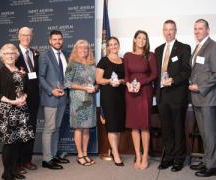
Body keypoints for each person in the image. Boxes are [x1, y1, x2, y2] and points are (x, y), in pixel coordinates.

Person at [0, 43, 34, 180]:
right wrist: (12, 102)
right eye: (6, 53)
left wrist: (24, 97)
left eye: (12, 53)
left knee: (17, 142)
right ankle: (6, 173)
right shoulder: (0, 72)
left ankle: (14, 170)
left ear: (16, 55)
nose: (10, 55)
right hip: (6, 111)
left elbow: (25, 89)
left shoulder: (20, 70)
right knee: (9, 143)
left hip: (20, 110)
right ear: (2, 56)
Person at [155, 20, 191, 172]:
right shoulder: (157, 50)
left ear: (175, 31)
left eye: (171, 29)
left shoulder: (184, 48)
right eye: (166, 29)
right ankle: (168, 157)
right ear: (163, 31)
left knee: (177, 128)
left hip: (177, 95)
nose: (169, 32)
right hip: (162, 95)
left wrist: (174, 79)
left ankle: (179, 159)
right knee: (166, 129)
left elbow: (186, 70)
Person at [189, 19, 216, 177]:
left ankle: (214, 167)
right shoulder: (198, 47)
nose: (197, 31)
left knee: (210, 133)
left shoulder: (214, 47)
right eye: (195, 29)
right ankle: (208, 161)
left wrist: (200, 87)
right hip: (197, 98)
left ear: (208, 30)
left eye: (200, 28)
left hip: (208, 98)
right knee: (204, 134)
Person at [124, 30, 157, 169]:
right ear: (135, 40)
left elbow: (155, 74)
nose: (142, 41)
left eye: (144, 38)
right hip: (131, 92)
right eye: (139, 38)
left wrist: (141, 83)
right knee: (134, 125)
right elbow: (126, 75)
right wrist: (128, 84)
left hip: (144, 92)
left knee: (144, 125)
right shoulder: (127, 55)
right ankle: (137, 155)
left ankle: (145, 157)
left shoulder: (150, 55)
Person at [39, 30, 69, 170]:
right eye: (55, 39)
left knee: (56, 128)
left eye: (60, 39)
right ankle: (46, 159)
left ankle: (53, 155)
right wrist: (52, 91)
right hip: (51, 98)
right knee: (49, 128)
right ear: (50, 41)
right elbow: (41, 77)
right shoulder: (45, 55)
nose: (57, 41)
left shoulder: (64, 55)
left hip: (63, 97)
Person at [64, 39, 97, 166]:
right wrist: (84, 88)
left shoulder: (92, 64)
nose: (83, 50)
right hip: (77, 101)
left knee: (87, 128)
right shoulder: (72, 64)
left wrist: (95, 88)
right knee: (79, 128)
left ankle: (85, 153)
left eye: (86, 48)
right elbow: (67, 83)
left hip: (90, 100)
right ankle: (80, 155)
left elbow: (96, 82)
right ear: (76, 50)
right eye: (80, 48)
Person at [96, 36, 126, 166]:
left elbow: (127, 79)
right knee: (112, 126)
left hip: (121, 97)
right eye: (110, 44)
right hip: (108, 97)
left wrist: (121, 81)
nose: (113, 46)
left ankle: (115, 151)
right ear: (107, 47)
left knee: (118, 126)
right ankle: (116, 154)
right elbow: (98, 80)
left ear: (118, 46)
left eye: (115, 44)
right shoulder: (103, 61)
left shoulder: (124, 61)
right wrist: (110, 81)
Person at [15, 26, 40, 174]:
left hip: (34, 98)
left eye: (29, 35)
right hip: (19, 98)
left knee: (31, 129)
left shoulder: (34, 53)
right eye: (24, 35)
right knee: (19, 130)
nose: (26, 38)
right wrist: (19, 95)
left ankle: (27, 160)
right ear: (19, 37)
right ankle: (17, 162)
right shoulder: (14, 53)